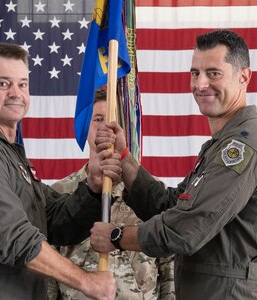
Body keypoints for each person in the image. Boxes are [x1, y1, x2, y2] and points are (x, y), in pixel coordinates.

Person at [90, 30, 257, 299]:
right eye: (195, 73)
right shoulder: (221, 145)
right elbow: (172, 207)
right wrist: (125, 159)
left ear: (243, 76)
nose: (200, 84)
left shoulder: (243, 149)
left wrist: (116, 237)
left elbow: (185, 230)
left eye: (213, 73)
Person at [0, 43, 121, 300]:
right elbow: (15, 239)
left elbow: (56, 223)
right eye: (3, 84)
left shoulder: (8, 156)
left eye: (22, 84)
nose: (15, 93)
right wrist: (87, 282)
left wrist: (92, 187)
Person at [47, 87, 175, 300]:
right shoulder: (60, 193)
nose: (105, 127)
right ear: (85, 127)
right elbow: (48, 268)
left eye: (113, 120)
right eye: (98, 119)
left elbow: (169, 263)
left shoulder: (151, 194)